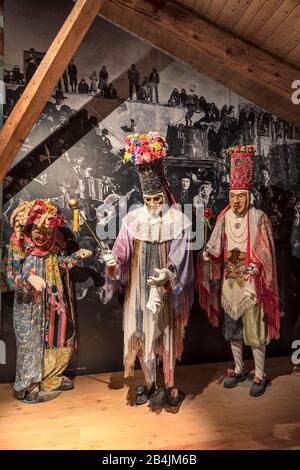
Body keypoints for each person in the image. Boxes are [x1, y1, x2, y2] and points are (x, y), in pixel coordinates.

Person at [103, 132, 194, 409]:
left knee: (165, 332)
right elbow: (122, 250)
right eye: (149, 199)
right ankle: (151, 382)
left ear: (164, 194)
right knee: (141, 333)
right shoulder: (132, 219)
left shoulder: (178, 220)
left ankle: (168, 384)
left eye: (157, 199)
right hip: (139, 290)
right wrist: (113, 261)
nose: (153, 205)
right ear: (143, 196)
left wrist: (170, 272)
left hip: (163, 289)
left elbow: (181, 254)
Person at [196, 145, 280, 397]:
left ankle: (259, 374)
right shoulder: (224, 217)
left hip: (252, 283)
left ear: (249, 195)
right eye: (233, 196)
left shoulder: (260, 218)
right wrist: (208, 254)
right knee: (232, 329)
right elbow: (215, 243)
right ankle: (238, 367)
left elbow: (267, 250)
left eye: (240, 196)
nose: (235, 201)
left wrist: (257, 264)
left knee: (255, 331)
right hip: (231, 281)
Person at [6, 199, 92, 403]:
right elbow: (10, 276)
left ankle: (50, 376)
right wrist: (28, 279)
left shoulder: (54, 243)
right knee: (30, 343)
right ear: (30, 226)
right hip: (29, 304)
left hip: (52, 299)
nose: (42, 236)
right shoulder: (20, 242)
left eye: (47, 231)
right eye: (38, 230)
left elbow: (59, 265)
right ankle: (27, 385)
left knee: (56, 336)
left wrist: (76, 257)